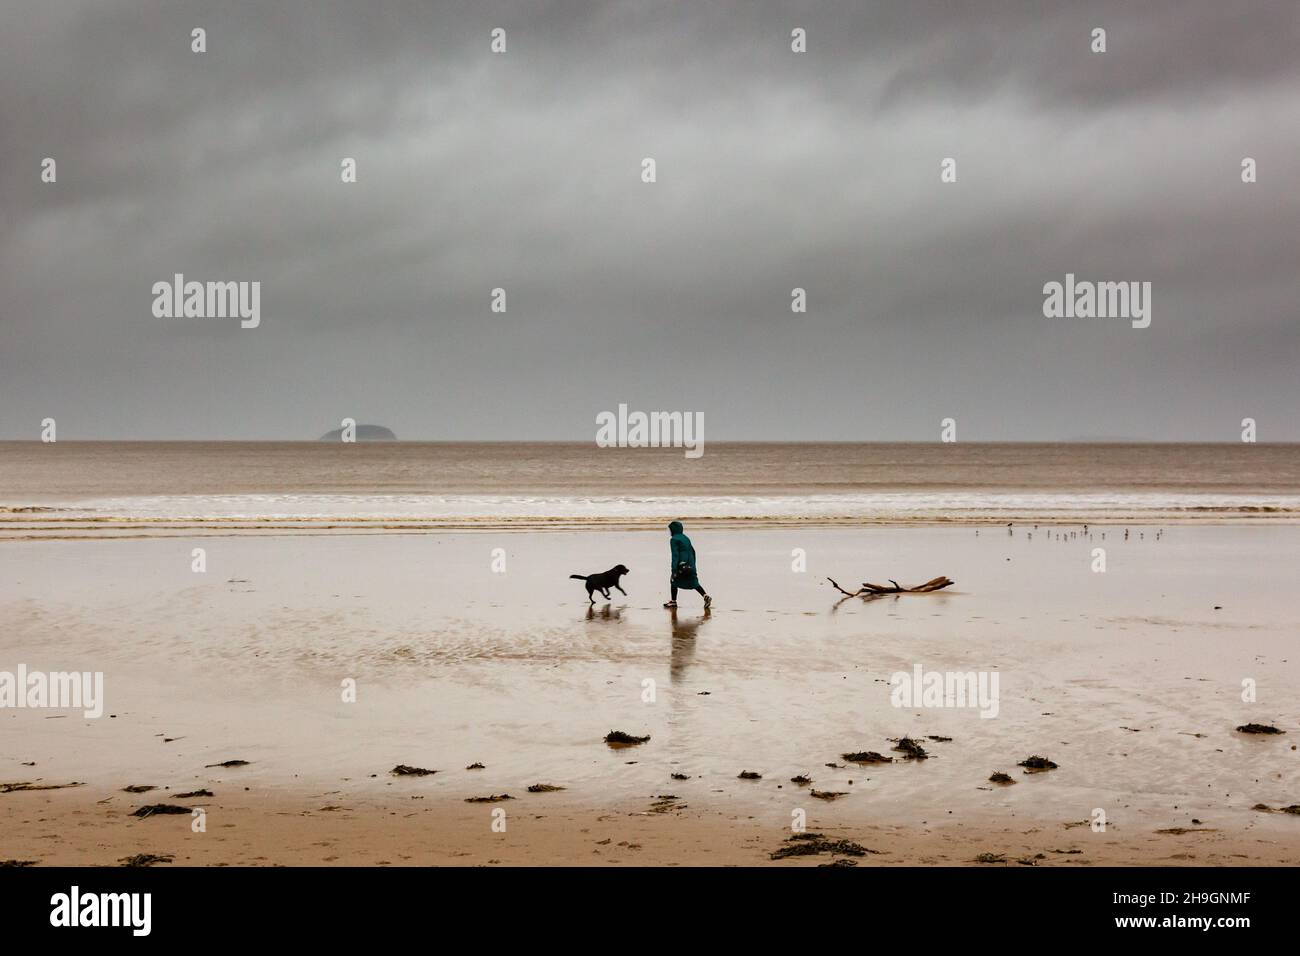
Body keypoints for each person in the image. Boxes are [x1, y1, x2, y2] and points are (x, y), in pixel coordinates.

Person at [663, 520, 711, 609]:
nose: (669, 531)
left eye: (670, 529)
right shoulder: (686, 538)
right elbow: (693, 551)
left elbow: (675, 555)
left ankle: (673, 601)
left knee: (673, 580)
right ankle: (705, 596)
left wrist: (674, 569)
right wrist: (693, 565)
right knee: (693, 582)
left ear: (673, 530)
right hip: (690, 565)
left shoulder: (674, 539)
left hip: (681, 565)